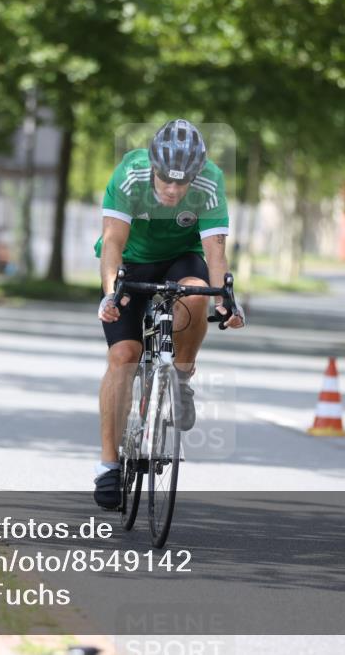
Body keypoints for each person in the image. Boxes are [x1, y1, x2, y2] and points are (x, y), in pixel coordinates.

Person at [93, 119, 245, 509]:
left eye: (183, 182)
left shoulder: (210, 181)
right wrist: (111, 294)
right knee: (123, 356)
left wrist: (225, 301)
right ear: (154, 168)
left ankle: (180, 376)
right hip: (132, 259)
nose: (174, 189)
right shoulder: (130, 173)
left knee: (196, 294)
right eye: (166, 180)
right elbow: (113, 240)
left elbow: (214, 252)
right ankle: (109, 466)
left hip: (182, 257)